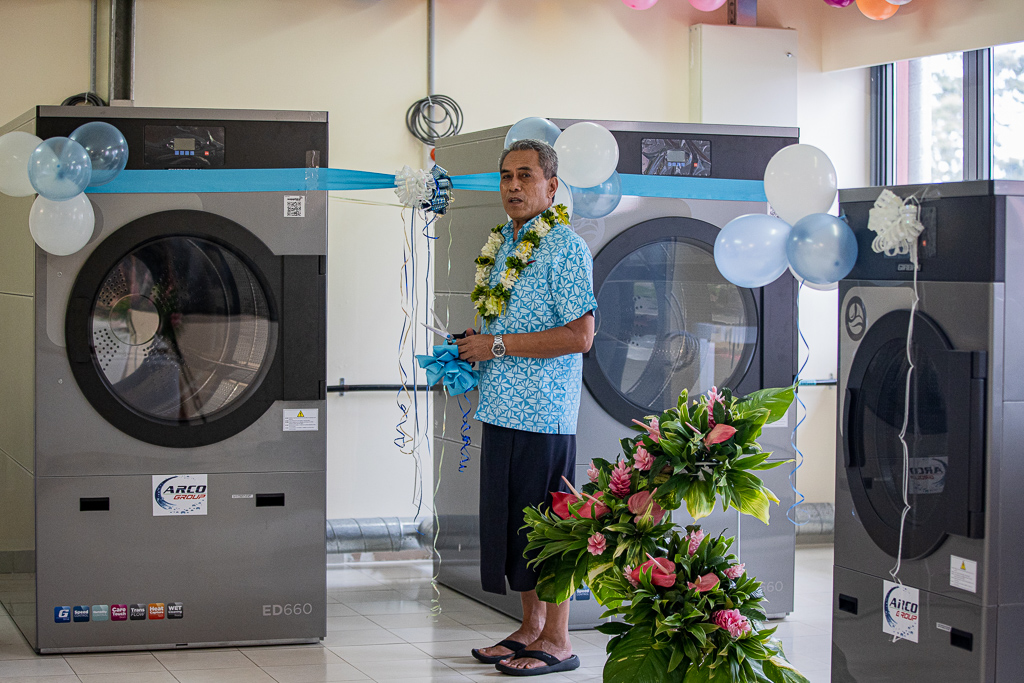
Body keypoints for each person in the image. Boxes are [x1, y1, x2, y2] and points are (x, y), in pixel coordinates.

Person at [457, 139, 597, 676]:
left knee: (550, 527)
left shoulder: (563, 246)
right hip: (500, 407)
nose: (513, 186)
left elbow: (581, 334)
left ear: (552, 186)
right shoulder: (502, 242)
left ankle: (559, 639)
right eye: (506, 176)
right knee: (515, 528)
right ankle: (530, 628)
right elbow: (509, 327)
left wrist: (496, 345)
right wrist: (478, 342)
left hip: (543, 414)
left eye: (526, 176)